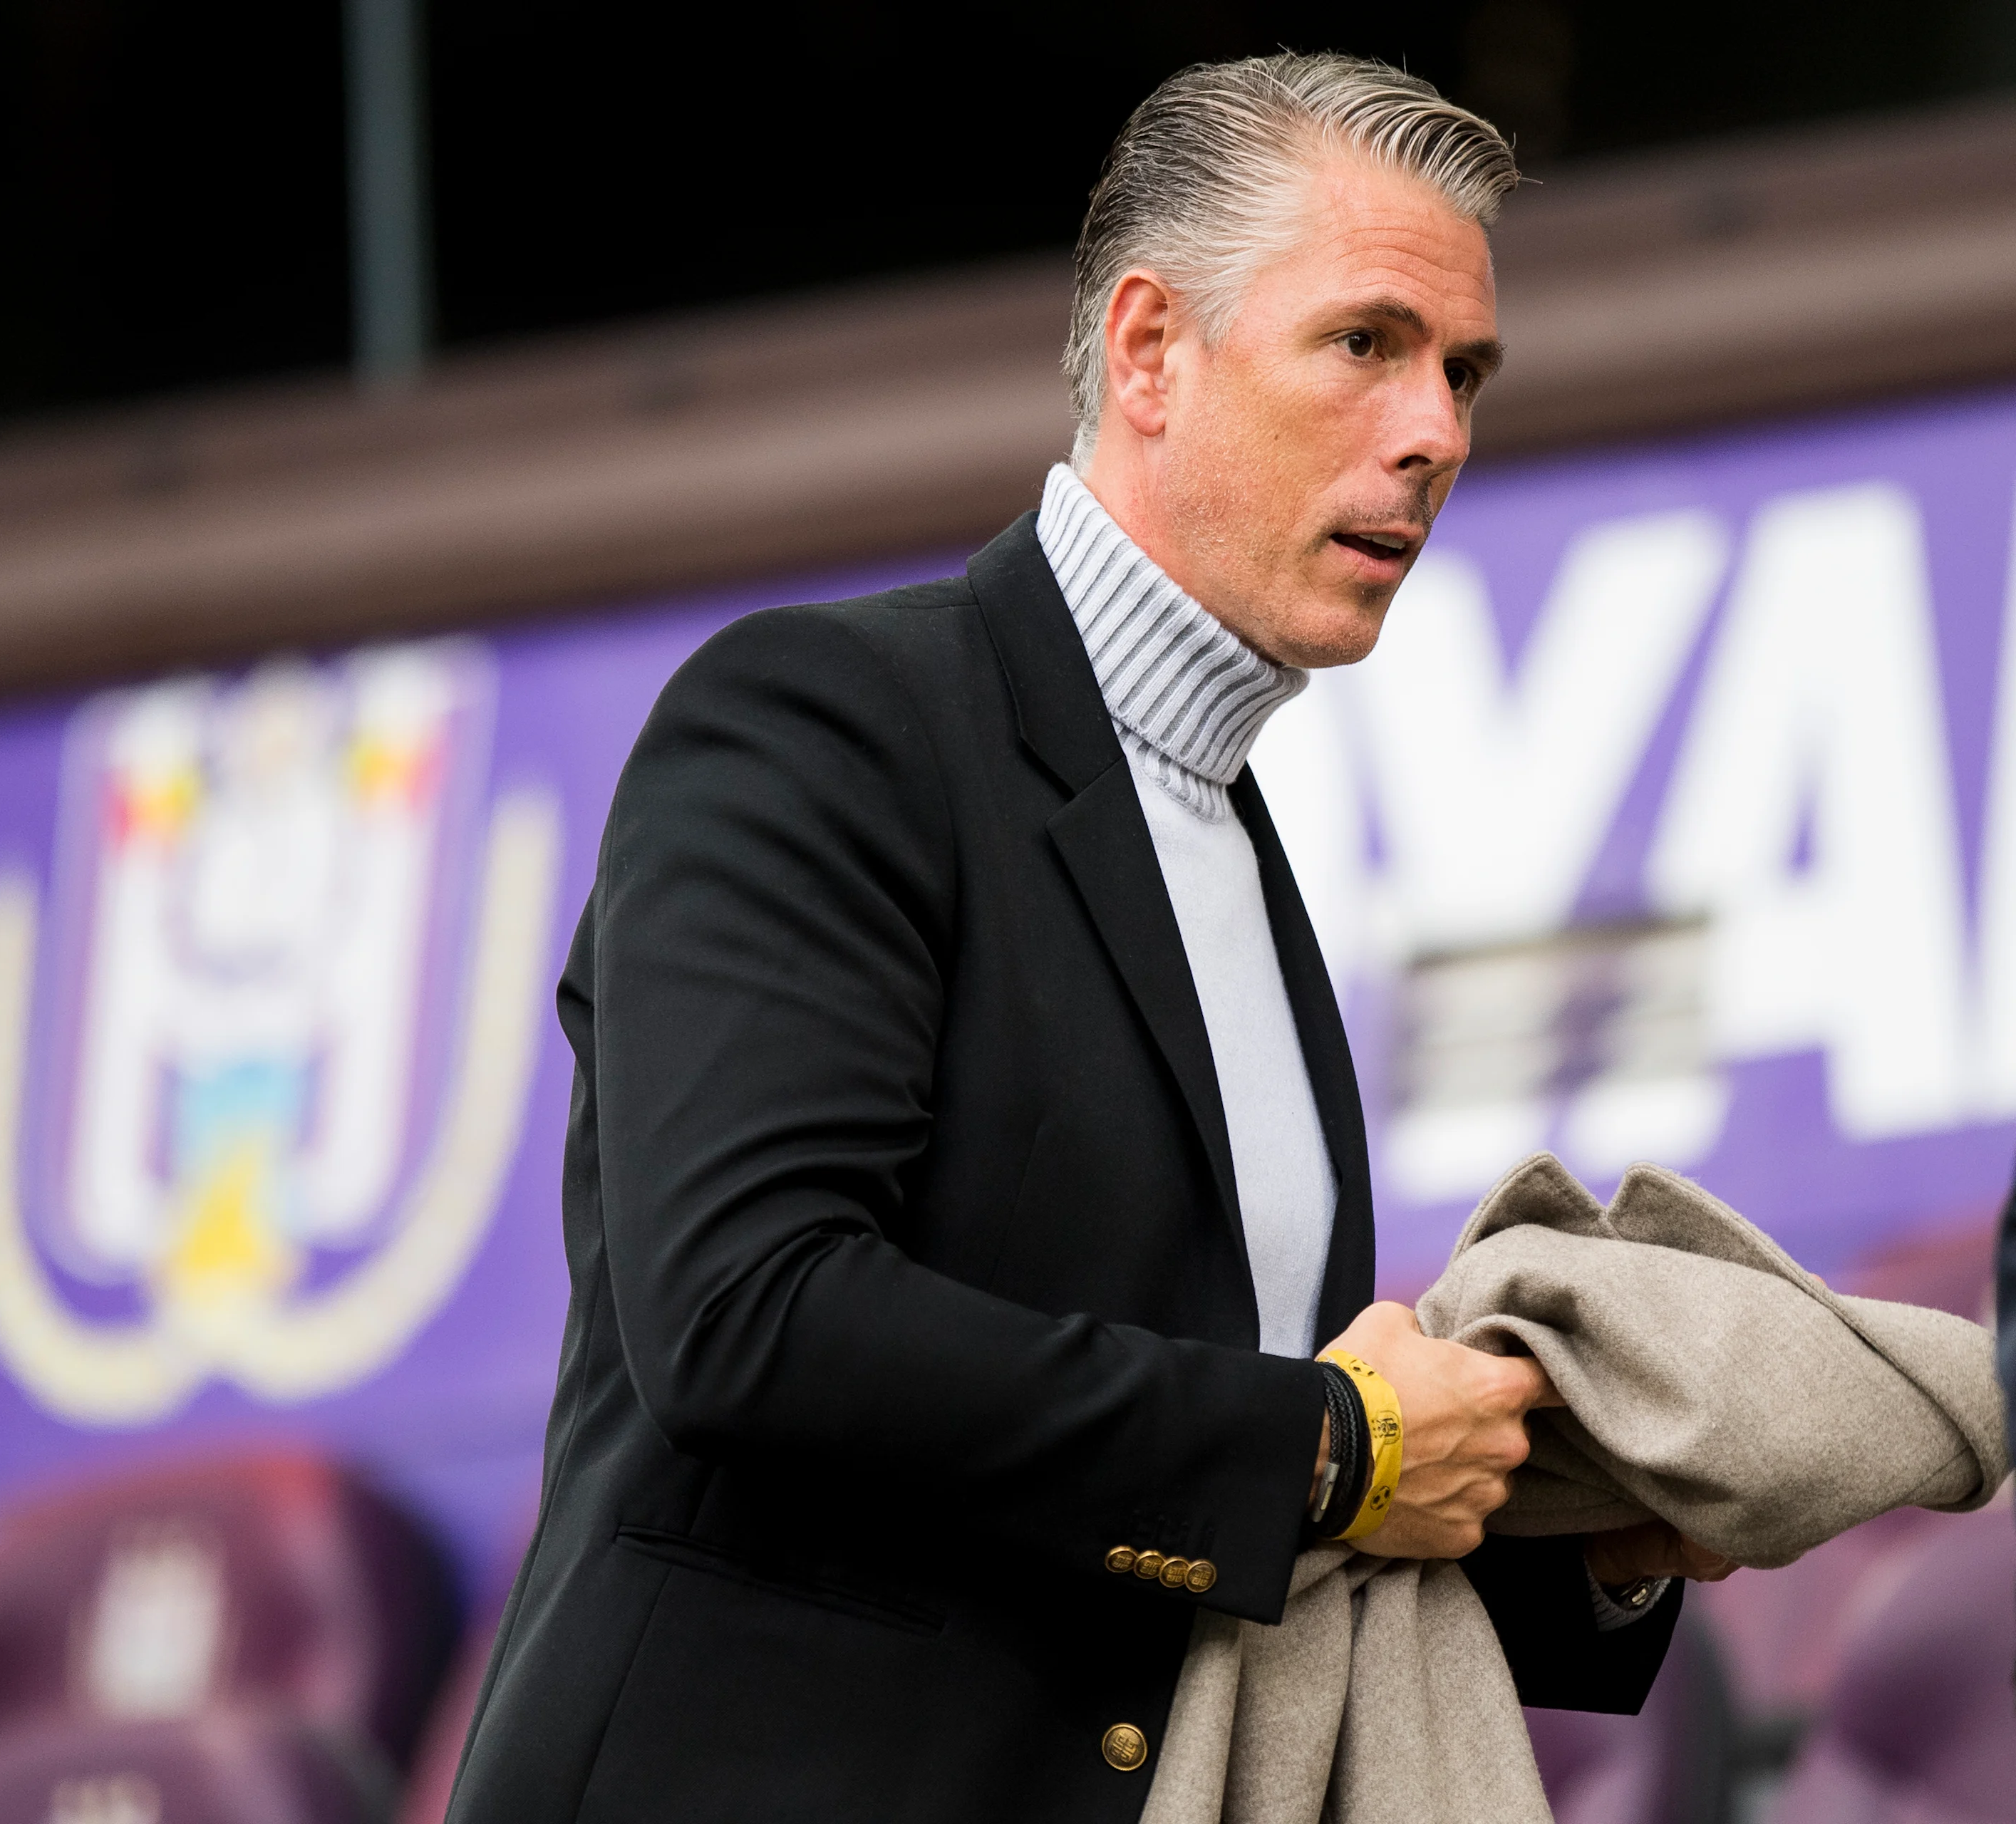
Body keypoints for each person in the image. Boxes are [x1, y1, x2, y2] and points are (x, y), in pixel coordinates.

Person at [445, 53, 1730, 1824]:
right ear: (1147, 351)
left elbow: (1174, 1483)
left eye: (1464, 371)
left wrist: (1595, 1535)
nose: (1434, 428)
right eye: (1366, 343)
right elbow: (751, 1314)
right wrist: (1337, 1444)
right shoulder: (821, 720)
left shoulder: (1228, 843)